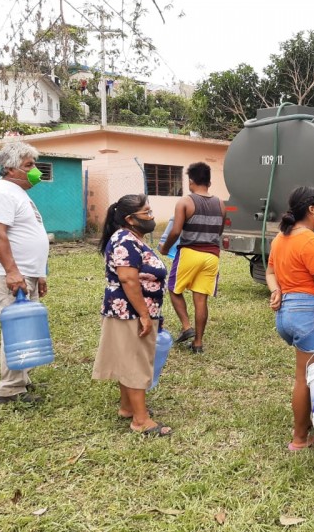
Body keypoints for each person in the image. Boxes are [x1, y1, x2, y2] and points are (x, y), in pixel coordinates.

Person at [265, 186, 314, 451]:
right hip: (309, 315)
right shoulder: (312, 242)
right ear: (312, 209)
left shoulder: (281, 238)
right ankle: (301, 439)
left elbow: (269, 273)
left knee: (305, 375)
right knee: (305, 379)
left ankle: (306, 424)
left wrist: (276, 290)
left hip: (287, 314)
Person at [92, 194, 172, 436]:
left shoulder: (132, 238)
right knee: (136, 362)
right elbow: (128, 279)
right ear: (130, 219)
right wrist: (145, 315)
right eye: (146, 213)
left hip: (132, 310)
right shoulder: (125, 240)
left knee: (128, 359)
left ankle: (127, 407)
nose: (151, 217)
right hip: (129, 312)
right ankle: (140, 420)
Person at [0, 142, 49, 405]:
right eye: (29, 165)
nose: (35, 171)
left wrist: (38, 273)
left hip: (26, 273)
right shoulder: (0, 193)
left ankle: (22, 378)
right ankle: (9, 390)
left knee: (27, 328)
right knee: (15, 329)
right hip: (10, 274)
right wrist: (12, 271)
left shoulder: (18, 192)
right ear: (10, 168)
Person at [158, 162, 225, 354]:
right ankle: (198, 343)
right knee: (201, 299)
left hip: (189, 252)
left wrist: (165, 248)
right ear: (209, 182)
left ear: (191, 180)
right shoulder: (221, 204)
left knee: (173, 288)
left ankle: (187, 327)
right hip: (212, 256)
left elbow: (175, 231)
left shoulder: (185, 202)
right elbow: (219, 232)